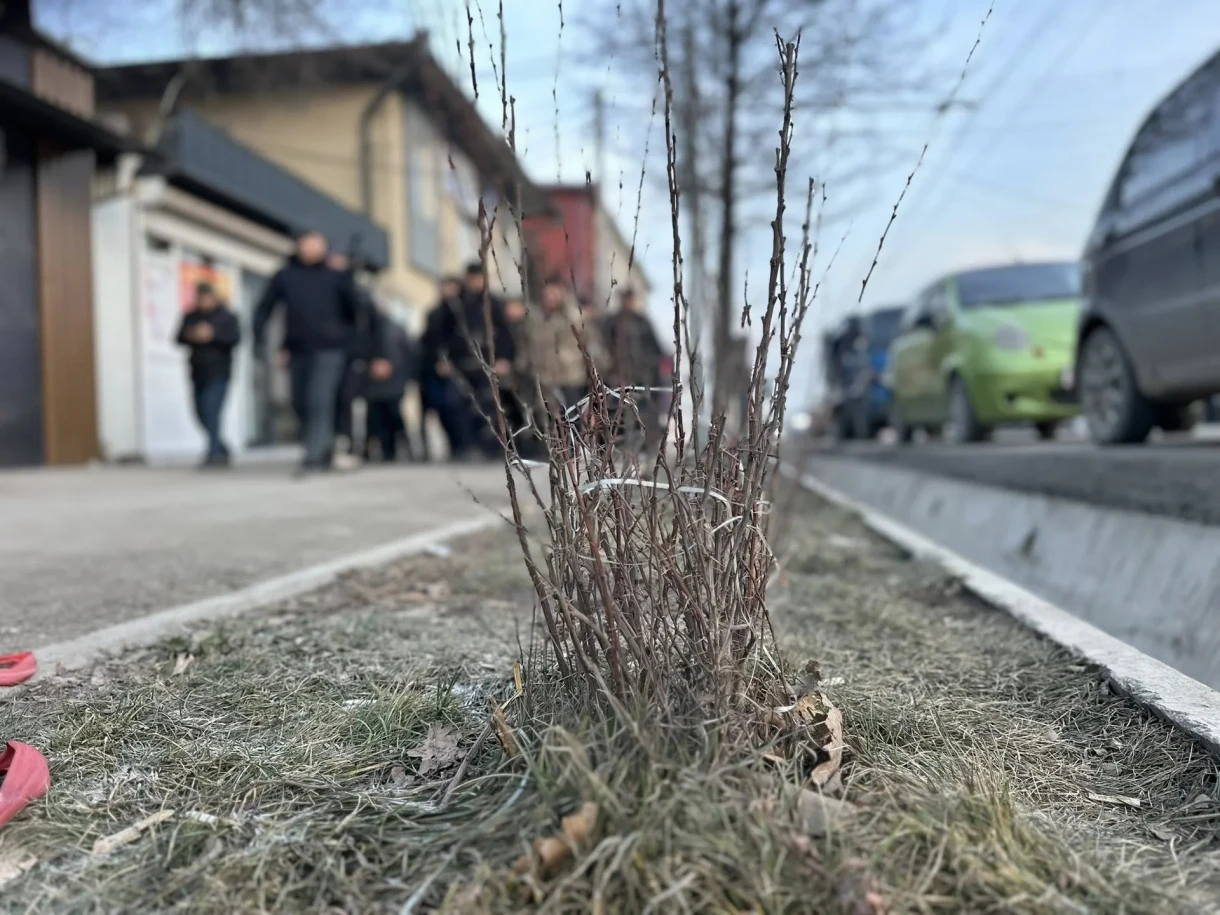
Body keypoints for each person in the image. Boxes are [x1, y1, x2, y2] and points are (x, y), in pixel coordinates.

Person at [253, 229, 390, 474]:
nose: (311, 248)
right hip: (297, 350)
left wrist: (368, 350)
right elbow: (265, 308)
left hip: (331, 350)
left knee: (319, 399)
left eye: (317, 243)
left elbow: (361, 312)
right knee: (299, 402)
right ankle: (324, 447)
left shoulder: (337, 277)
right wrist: (259, 339)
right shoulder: (285, 276)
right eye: (307, 243)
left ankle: (313, 456)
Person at [420, 262, 515, 459]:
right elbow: (440, 335)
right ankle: (465, 446)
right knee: (459, 405)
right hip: (460, 364)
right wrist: (442, 359)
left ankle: (491, 447)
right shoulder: (455, 304)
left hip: (488, 365)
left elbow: (506, 334)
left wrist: (504, 358)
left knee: (490, 405)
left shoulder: (493, 303)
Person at [176, 282, 241, 468]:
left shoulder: (227, 317)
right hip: (197, 373)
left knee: (211, 411)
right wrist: (193, 334)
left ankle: (214, 455)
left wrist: (213, 334)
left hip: (219, 373)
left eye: (206, 298)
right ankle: (220, 446)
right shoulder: (191, 317)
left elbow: (235, 338)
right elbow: (178, 338)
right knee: (200, 414)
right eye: (200, 298)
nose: (203, 301)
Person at [600, 286, 667, 451]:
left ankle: (645, 447)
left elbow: (655, 350)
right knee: (615, 413)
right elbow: (602, 347)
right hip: (616, 378)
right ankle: (614, 447)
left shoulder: (642, 322)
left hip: (640, 378)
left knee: (643, 413)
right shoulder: (611, 323)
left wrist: (649, 369)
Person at [523, 276, 602, 412]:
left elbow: (592, 346)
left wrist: (596, 374)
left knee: (572, 419)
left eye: (555, 293)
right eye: (548, 293)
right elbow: (526, 348)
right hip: (543, 381)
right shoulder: (535, 320)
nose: (551, 298)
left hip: (571, 379)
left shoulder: (576, 318)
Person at [364, 309, 417, 463]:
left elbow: (408, 355)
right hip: (383, 383)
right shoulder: (393, 329)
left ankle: (392, 449)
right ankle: (390, 449)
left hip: (390, 382)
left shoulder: (388, 330)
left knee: (389, 416)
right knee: (383, 417)